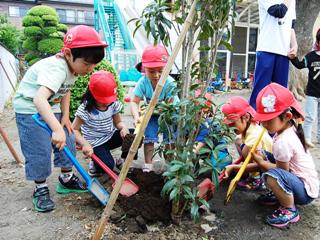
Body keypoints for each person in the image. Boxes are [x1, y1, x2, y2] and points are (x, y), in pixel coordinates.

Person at [13, 25, 107, 212]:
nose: (90, 69)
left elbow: (65, 90)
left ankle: (66, 179)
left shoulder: (72, 67)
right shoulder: (57, 68)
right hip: (30, 109)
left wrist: (64, 117)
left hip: (50, 106)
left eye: (93, 65)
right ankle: (40, 188)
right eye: (87, 64)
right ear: (68, 53)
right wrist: (55, 129)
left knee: (69, 137)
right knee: (38, 149)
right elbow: (39, 99)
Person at [252, 83, 319, 228]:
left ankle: (289, 209)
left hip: (304, 192)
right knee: (269, 159)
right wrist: (264, 155)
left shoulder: (283, 141)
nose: (264, 124)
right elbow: (281, 160)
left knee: (271, 176)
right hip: (303, 183)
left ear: (287, 116)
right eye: (262, 119)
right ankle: (282, 195)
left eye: (268, 120)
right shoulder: (288, 128)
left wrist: (262, 163)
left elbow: (282, 171)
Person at [72, 70, 136, 176]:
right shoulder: (85, 109)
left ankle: (123, 160)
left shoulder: (113, 104)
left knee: (134, 135)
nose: (106, 102)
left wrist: (123, 127)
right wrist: (85, 144)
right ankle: (97, 164)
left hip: (109, 137)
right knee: (108, 166)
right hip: (95, 143)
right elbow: (74, 129)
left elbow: (118, 122)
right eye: (102, 100)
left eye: (108, 99)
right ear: (92, 94)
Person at [130, 45, 179, 171]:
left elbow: (169, 106)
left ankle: (170, 166)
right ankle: (148, 166)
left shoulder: (170, 83)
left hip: (169, 113)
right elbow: (134, 101)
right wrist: (137, 117)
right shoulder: (143, 82)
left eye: (160, 71)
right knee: (149, 138)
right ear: (144, 69)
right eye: (151, 71)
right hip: (152, 113)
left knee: (169, 140)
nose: (156, 75)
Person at [249, 0, 298, 109]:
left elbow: (291, 26)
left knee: (281, 95)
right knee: (260, 91)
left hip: (283, 53)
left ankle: (277, 124)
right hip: (266, 49)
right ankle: (253, 122)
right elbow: (279, 12)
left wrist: (294, 45)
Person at [221, 96, 274, 190]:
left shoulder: (253, 136)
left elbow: (259, 163)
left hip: (269, 165)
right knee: (238, 140)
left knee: (246, 149)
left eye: (233, 124)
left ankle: (256, 179)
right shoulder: (250, 126)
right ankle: (248, 170)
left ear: (246, 117)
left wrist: (234, 167)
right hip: (261, 157)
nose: (230, 128)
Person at [289, 28, 320, 148]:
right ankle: (306, 138)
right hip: (312, 93)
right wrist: (292, 58)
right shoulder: (311, 56)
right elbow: (300, 65)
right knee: (310, 117)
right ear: (318, 41)